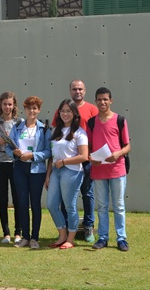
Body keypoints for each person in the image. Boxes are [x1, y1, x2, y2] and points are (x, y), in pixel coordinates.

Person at [51, 79, 98, 242]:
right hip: (63, 163)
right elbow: (56, 135)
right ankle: (65, 231)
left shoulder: (92, 109)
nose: (77, 91)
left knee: (87, 194)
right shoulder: (62, 110)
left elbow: (97, 133)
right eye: (74, 89)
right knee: (66, 199)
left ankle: (88, 227)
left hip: (85, 159)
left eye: (80, 89)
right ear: (70, 91)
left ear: (85, 91)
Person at [5, 96, 51, 249]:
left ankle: (35, 238)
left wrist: (33, 155)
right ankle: (25, 237)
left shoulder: (43, 129)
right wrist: (15, 154)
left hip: (37, 169)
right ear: (24, 110)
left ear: (38, 110)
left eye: (35, 108)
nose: (32, 111)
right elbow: (7, 147)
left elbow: (47, 151)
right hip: (19, 168)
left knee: (35, 204)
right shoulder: (17, 127)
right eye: (29, 108)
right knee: (22, 203)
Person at [88, 87, 131, 252]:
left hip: (117, 169)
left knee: (119, 205)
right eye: (99, 99)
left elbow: (127, 146)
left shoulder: (120, 120)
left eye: (105, 99)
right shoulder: (92, 122)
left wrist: (118, 153)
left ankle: (121, 239)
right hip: (99, 171)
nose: (102, 102)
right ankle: (103, 238)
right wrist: (92, 158)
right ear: (96, 101)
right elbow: (89, 147)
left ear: (111, 100)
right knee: (102, 206)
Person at [45, 99, 88, 249]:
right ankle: (62, 235)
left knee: (70, 206)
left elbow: (84, 156)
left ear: (75, 113)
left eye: (69, 111)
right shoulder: (56, 130)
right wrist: (48, 175)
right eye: (63, 111)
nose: (65, 114)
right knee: (51, 205)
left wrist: (64, 162)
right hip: (56, 171)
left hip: (72, 171)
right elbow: (52, 156)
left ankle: (70, 239)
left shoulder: (80, 133)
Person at [0, 92, 23, 244]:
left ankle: (18, 232)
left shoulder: (20, 122)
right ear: (0, 105)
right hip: (0, 164)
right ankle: (6, 233)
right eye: (5, 104)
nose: (7, 107)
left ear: (14, 106)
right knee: (2, 198)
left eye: (10, 104)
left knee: (17, 198)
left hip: (16, 163)